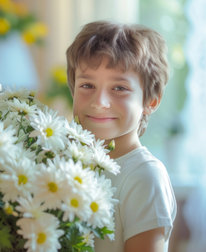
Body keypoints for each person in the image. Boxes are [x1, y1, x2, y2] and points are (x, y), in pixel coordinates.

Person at [66, 20, 177, 251]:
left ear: (150, 101)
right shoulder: (64, 161)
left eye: (119, 88)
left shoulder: (145, 177)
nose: (100, 102)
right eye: (87, 85)